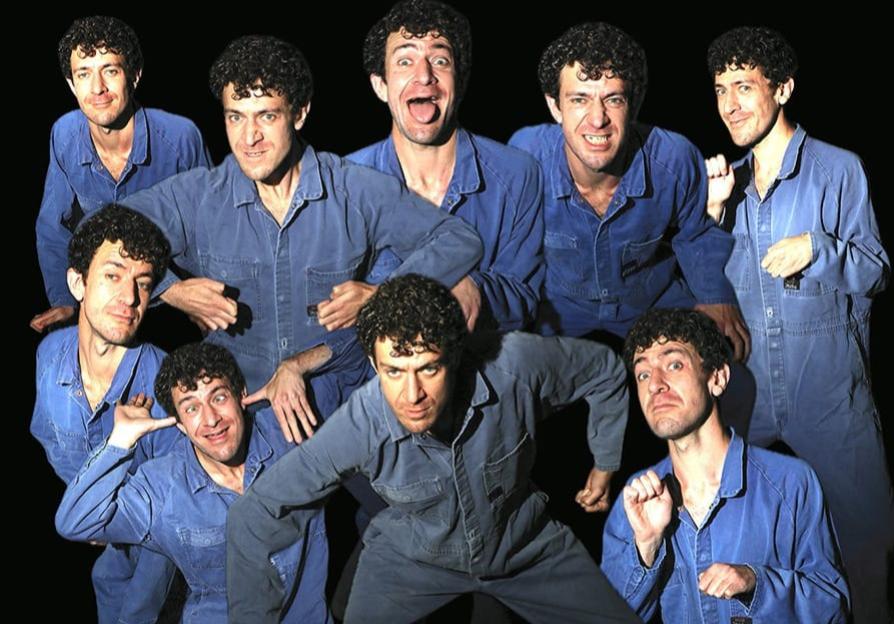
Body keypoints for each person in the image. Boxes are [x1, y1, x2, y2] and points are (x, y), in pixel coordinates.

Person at [122, 35, 483, 446]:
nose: (249, 137)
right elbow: (103, 232)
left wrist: (382, 295)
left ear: (299, 113)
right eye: (236, 117)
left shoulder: (354, 191)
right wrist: (170, 291)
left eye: (266, 116)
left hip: (342, 419)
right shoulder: (197, 197)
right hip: (242, 427)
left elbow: (458, 239)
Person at [226, 274, 639, 623]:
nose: (412, 395)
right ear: (373, 364)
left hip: (523, 547)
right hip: (412, 560)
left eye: (428, 368)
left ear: (455, 357)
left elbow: (604, 371)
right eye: (393, 371)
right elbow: (257, 511)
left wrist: (604, 464)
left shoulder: (515, 364)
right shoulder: (361, 423)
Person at [704, 26, 892, 622]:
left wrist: (819, 248)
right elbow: (701, 304)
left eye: (744, 86)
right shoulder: (723, 187)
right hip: (747, 399)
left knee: (866, 554)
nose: (730, 104)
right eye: (720, 89)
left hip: (831, 397)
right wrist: (709, 222)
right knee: (735, 556)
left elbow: (877, 271)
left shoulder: (838, 170)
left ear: (782, 88)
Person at [509, 22, 748, 359]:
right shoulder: (525, 157)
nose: (597, 119)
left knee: (725, 357)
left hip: (650, 298)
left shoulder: (675, 159)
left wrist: (716, 296)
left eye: (613, 99)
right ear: (554, 107)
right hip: (559, 306)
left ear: (633, 105)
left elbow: (696, 234)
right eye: (579, 99)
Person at [603, 308, 850, 623]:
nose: (655, 385)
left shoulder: (790, 483)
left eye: (674, 364)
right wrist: (646, 546)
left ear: (717, 378)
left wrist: (756, 583)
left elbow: (833, 608)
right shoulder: (636, 500)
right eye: (643, 374)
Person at [56, 343, 329, 623]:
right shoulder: (163, 487)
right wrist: (120, 439)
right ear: (180, 424)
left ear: (241, 395)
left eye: (219, 397)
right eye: (191, 408)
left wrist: (294, 366)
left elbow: (349, 351)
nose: (211, 419)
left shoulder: (287, 429)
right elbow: (75, 522)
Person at [347, 0, 544, 333]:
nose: (424, 76)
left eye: (440, 60)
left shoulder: (518, 174)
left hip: (481, 355)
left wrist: (476, 288)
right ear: (380, 85)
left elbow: (523, 294)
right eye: (405, 61)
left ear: (460, 81)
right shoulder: (346, 183)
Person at [31, 204, 181, 623]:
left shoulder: (166, 386)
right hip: (109, 550)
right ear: (77, 283)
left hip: (163, 549)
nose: (130, 298)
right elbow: (49, 435)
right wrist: (89, 503)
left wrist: (105, 514)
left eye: (143, 283)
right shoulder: (50, 356)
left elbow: (175, 511)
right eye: (113, 275)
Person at [33, 15, 210, 332]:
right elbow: (52, 226)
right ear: (71, 84)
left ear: (134, 75)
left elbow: (210, 229)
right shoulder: (64, 135)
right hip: (107, 299)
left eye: (110, 71)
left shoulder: (181, 139)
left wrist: (203, 302)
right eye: (84, 74)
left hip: (176, 306)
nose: (97, 88)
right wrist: (63, 299)